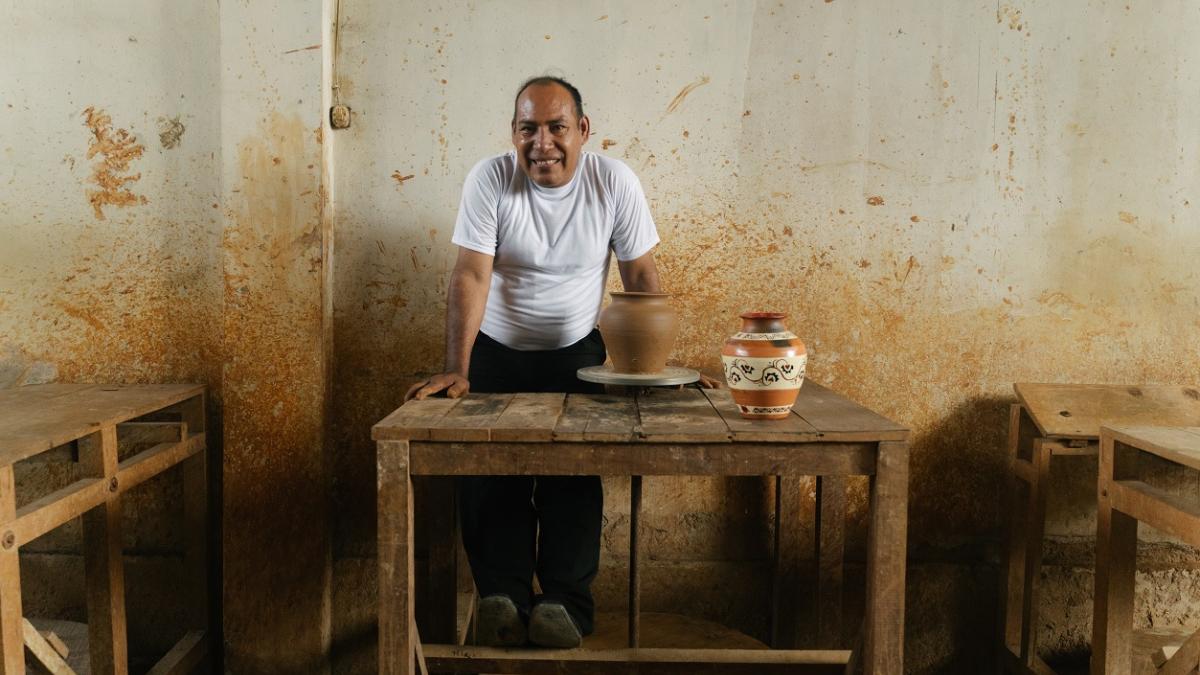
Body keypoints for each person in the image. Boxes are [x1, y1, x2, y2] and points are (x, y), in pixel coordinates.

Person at [404, 75, 708, 648]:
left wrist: (655, 367)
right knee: (492, 477)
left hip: (579, 355)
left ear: (583, 131)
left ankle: (563, 605)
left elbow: (640, 278)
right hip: (494, 351)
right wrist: (457, 367)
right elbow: (471, 273)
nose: (542, 142)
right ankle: (502, 596)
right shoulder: (490, 178)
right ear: (512, 133)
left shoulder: (613, 181)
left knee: (572, 475)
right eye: (529, 129)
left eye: (556, 128)